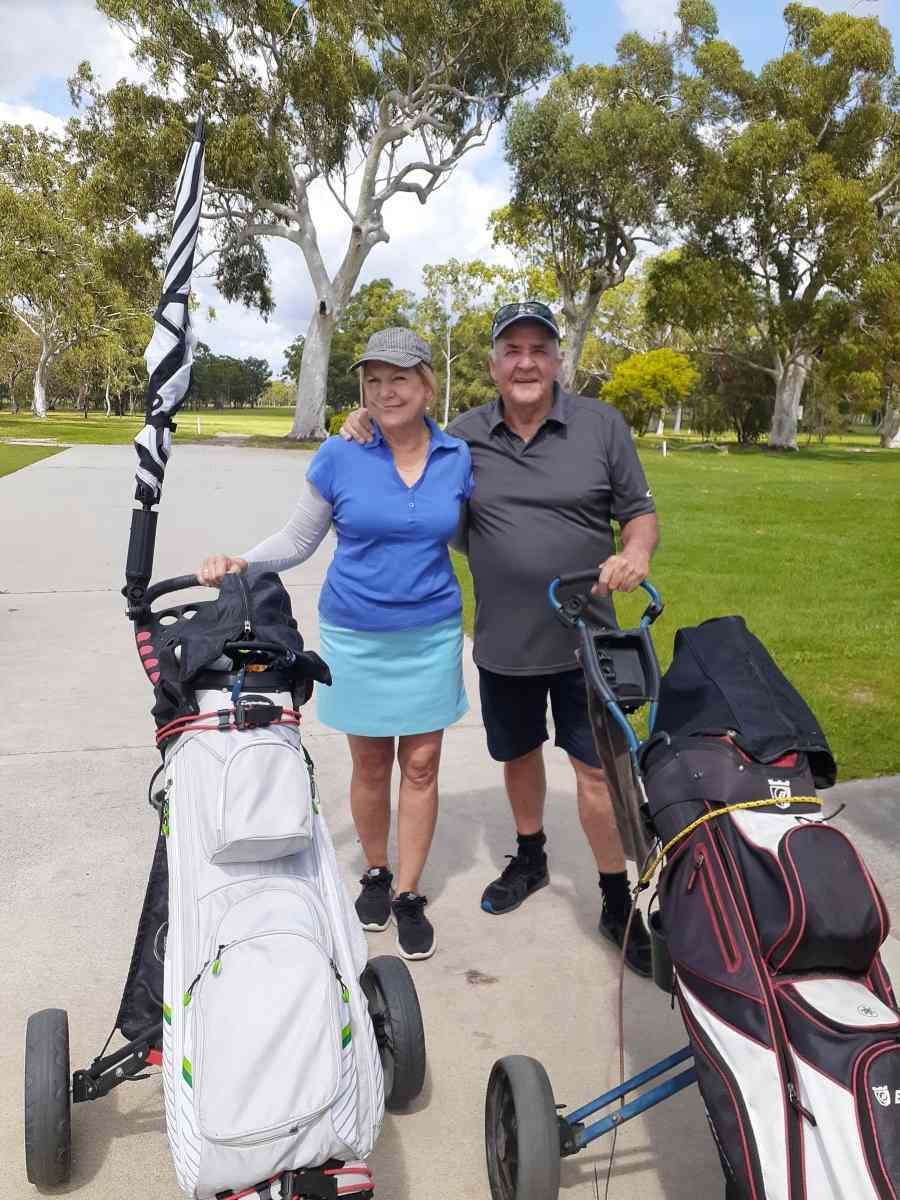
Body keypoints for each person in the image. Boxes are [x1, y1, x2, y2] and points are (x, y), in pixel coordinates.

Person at [342, 302, 659, 976]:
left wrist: (637, 552)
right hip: (505, 639)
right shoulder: (463, 436)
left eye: (538, 349)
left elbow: (639, 514)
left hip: (587, 638)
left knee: (597, 771)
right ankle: (532, 855)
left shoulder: (601, 425)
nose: (524, 362)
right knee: (518, 755)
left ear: (556, 361)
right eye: (511, 350)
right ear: (492, 365)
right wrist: (366, 420)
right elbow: (402, 439)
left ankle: (614, 896)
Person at [198, 327, 473, 961]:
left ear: (426, 384)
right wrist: (239, 563)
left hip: (430, 633)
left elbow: (468, 538)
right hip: (357, 632)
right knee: (373, 765)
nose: (385, 391)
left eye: (399, 378)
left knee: (424, 766)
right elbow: (298, 541)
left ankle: (409, 894)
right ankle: (376, 873)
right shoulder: (339, 454)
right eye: (372, 380)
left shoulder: (458, 456)